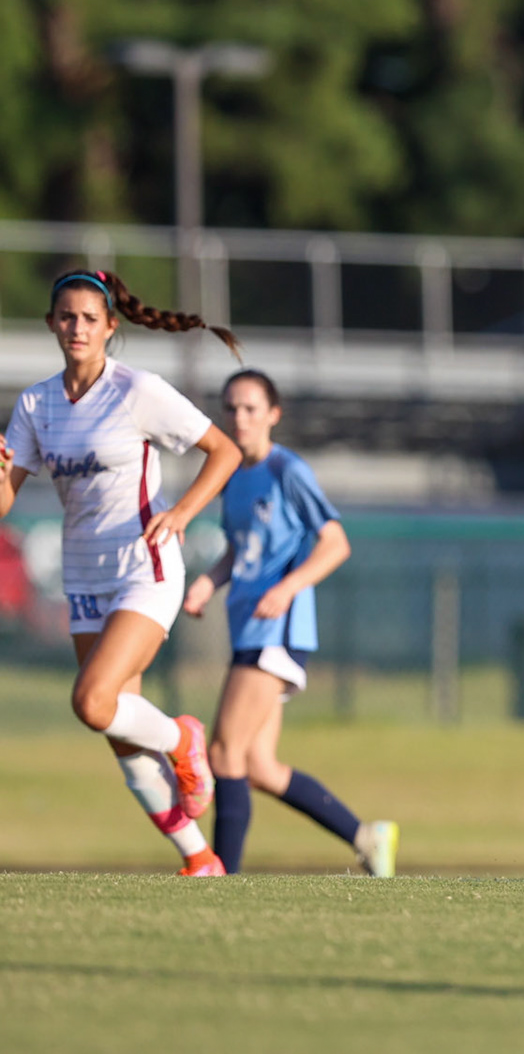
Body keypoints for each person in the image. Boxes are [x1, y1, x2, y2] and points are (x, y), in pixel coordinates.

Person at [0, 269, 243, 875]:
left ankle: (184, 740)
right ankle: (201, 860)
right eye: (66, 316)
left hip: (145, 569)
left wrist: (184, 512)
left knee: (92, 701)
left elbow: (226, 451)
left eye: (89, 318)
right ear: (52, 323)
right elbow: (5, 496)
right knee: (118, 729)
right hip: (84, 578)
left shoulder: (137, 390)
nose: (76, 327)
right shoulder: (36, 403)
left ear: (111, 326)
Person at [184, 369, 396, 877]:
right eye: (232, 408)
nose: (240, 418)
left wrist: (287, 588)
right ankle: (367, 837)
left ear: (273, 415)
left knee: (222, 751)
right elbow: (242, 547)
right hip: (249, 628)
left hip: (276, 631)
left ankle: (222, 877)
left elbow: (335, 542)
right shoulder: (233, 476)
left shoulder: (288, 470)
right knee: (257, 766)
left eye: (251, 409)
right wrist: (209, 582)